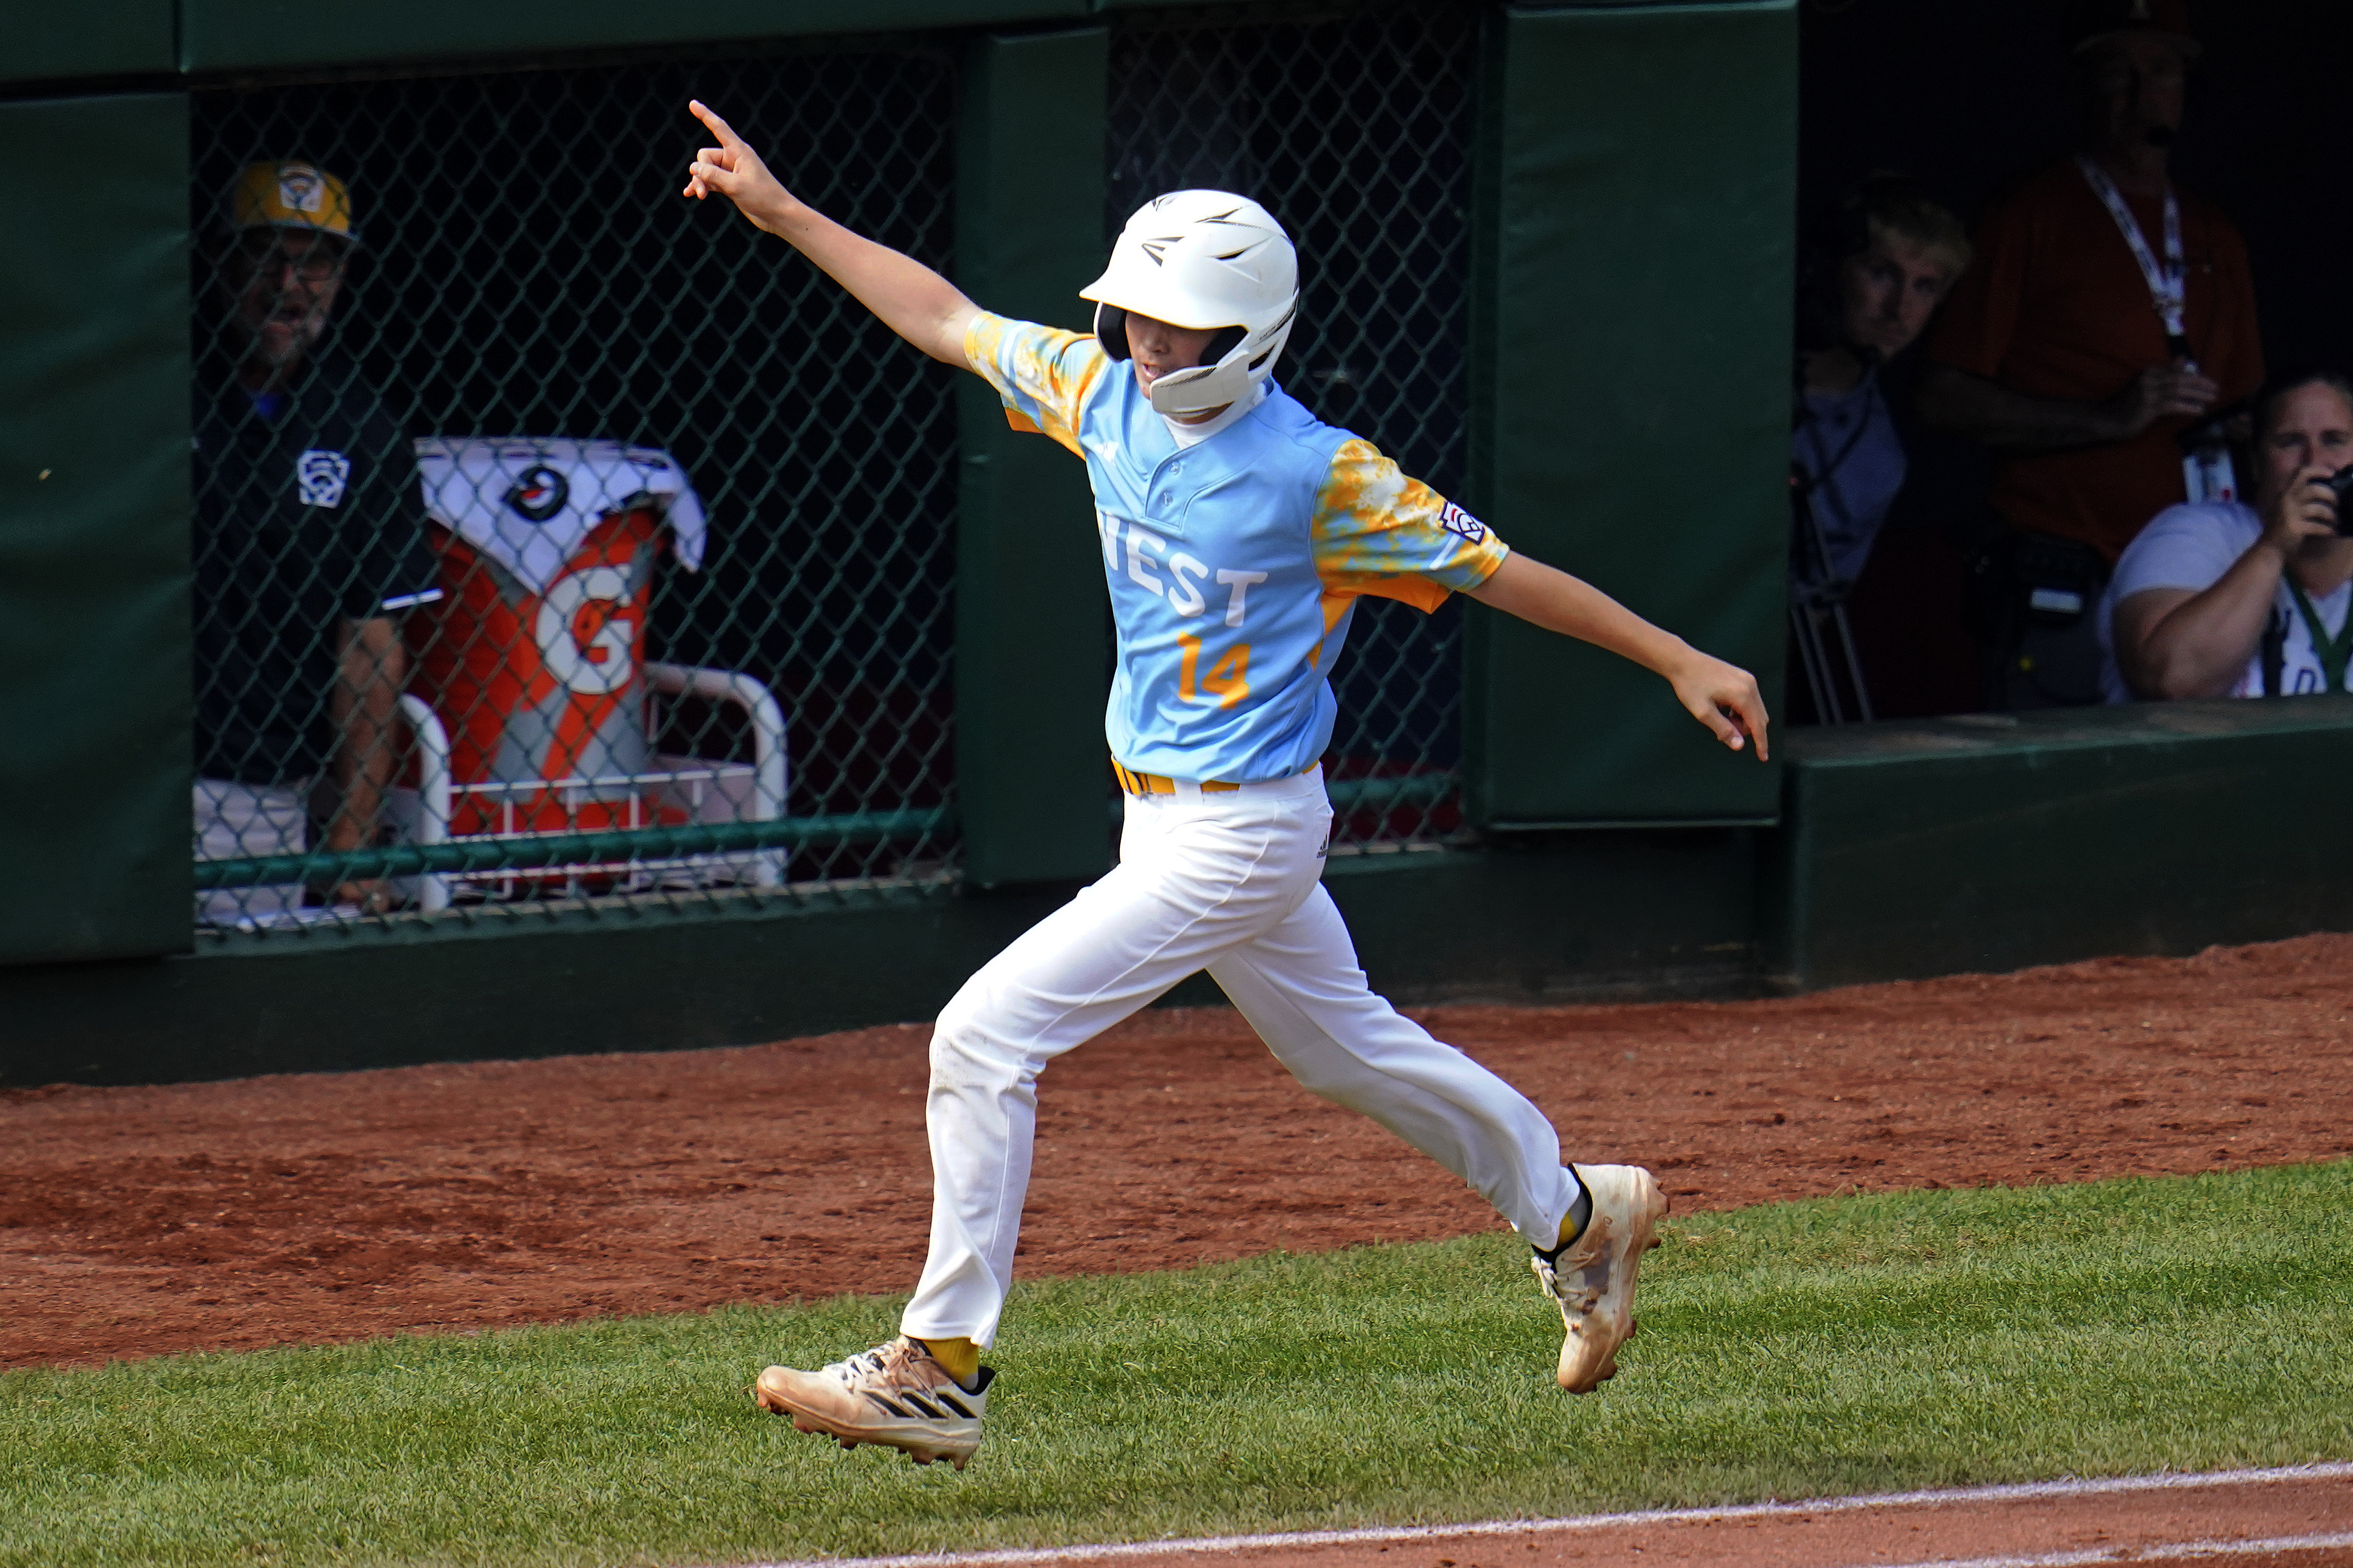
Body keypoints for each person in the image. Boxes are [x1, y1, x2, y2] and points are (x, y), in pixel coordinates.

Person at [680, 100, 1770, 1470]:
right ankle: (1576, 1216)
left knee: (982, 1038)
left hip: (1238, 831)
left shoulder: (1324, 476)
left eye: (1175, 323)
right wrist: (781, 211)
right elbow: (946, 315)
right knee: (1344, 1049)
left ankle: (940, 1369)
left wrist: (1675, 656)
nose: (1146, 339)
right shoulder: (1101, 393)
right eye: (1134, 312)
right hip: (1179, 817)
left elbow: (1503, 574)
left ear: (1246, 336)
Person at [1915, 0, 2263, 707]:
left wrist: (2243, 428)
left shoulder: (2213, 231)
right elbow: (1938, 394)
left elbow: (2249, 398)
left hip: (2188, 579)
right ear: (2084, 87)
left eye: (2162, 71)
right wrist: (2105, 419)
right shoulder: (2029, 212)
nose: (2142, 95)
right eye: (2118, 73)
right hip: (2065, 568)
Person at [191, 162, 440, 926]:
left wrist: (353, 839)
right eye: (266, 255)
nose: (289, 284)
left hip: (257, 786)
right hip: (122, 767)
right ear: (223, 263)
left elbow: (370, 645)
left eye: (316, 261)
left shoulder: (361, 429)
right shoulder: (157, 388)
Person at [1788, 178, 1970, 721]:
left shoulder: (1878, 457)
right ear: (1830, 271)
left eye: (1924, 288)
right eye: (1880, 273)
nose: (1898, 308)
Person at [2100, 371, 2353, 702]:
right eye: (2290, 442)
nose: (2314, 462)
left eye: (2334, 440)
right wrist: (2273, 547)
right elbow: (2169, 680)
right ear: (2257, 463)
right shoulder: (2191, 532)